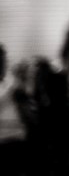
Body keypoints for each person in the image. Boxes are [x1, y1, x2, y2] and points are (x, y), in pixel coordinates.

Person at [0, 44, 27, 176]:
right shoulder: (7, 87)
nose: (5, 66)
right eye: (4, 61)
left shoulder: (6, 84)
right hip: (5, 144)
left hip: (15, 142)